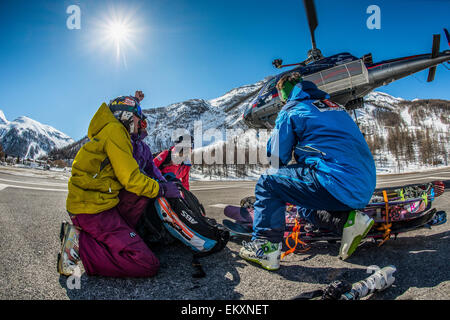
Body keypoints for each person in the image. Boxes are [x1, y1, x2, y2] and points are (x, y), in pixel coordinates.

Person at [239, 79, 376, 271]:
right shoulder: (335, 107)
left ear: (285, 95)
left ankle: (265, 248)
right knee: (303, 206)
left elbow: (277, 158)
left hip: (335, 180)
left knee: (268, 182)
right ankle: (346, 221)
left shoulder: (292, 108)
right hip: (363, 184)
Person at [57, 91, 181, 278]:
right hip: (92, 210)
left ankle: (114, 239)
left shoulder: (113, 129)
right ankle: (80, 244)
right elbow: (131, 178)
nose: (141, 125)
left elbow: (138, 176)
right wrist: (162, 188)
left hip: (100, 202)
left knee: (142, 194)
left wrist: (160, 184)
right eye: (140, 120)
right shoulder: (116, 131)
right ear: (127, 117)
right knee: (146, 264)